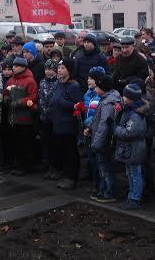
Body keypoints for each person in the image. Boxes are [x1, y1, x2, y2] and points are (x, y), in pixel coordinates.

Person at [48, 59, 82, 189]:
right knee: (62, 151)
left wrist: (61, 102)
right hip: (58, 123)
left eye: (62, 68)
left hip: (68, 125)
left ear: (69, 70)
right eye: (59, 68)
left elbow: (78, 106)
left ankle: (72, 177)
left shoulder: (73, 86)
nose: (59, 70)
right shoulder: (59, 84)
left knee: (70, 152)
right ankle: (65, 174)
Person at [113, 83, 147, 210]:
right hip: (130, 148)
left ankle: (135, 198)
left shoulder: (135, 114)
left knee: (135, 173)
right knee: (131, 173)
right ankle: (131, 195)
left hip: (134, 148)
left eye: (124, 96)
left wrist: (115, 128)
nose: (122, 97)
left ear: (131, 98)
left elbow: (130, 132)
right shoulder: (129, 110)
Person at [87, 74, 120, 203]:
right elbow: (96, 118)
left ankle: (108, 192)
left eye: (97, 87)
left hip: (104, 143)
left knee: (105, 168)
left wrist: (96, 144)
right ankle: (102, 190)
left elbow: (103, 125)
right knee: (103, 168)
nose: (95, 89)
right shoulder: (105, 99)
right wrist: (89, 127)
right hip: (102, 141)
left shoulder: (107, 103)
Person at [4, 57, 38, 175]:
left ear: (23, 67)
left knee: (25, 143)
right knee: (16, 142)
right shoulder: (10, 80)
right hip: (13, 117)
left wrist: (19, 102)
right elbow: (5, 93)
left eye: (16, 66)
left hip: (25, 118)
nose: (13, 68)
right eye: (13, 66)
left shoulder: (30, 81)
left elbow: (33, 97)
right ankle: (18, 164)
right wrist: (6, 99)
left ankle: (26, 167)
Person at [39, 60, 58, 177]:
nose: (48, 71)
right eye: (46, 69)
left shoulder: (58, 83)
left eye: (50, 69)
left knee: (55, 144)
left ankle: (56, 167)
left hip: (54, 118)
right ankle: (49, 166)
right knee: (46, 143)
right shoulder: (42, 82)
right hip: (43, 117)